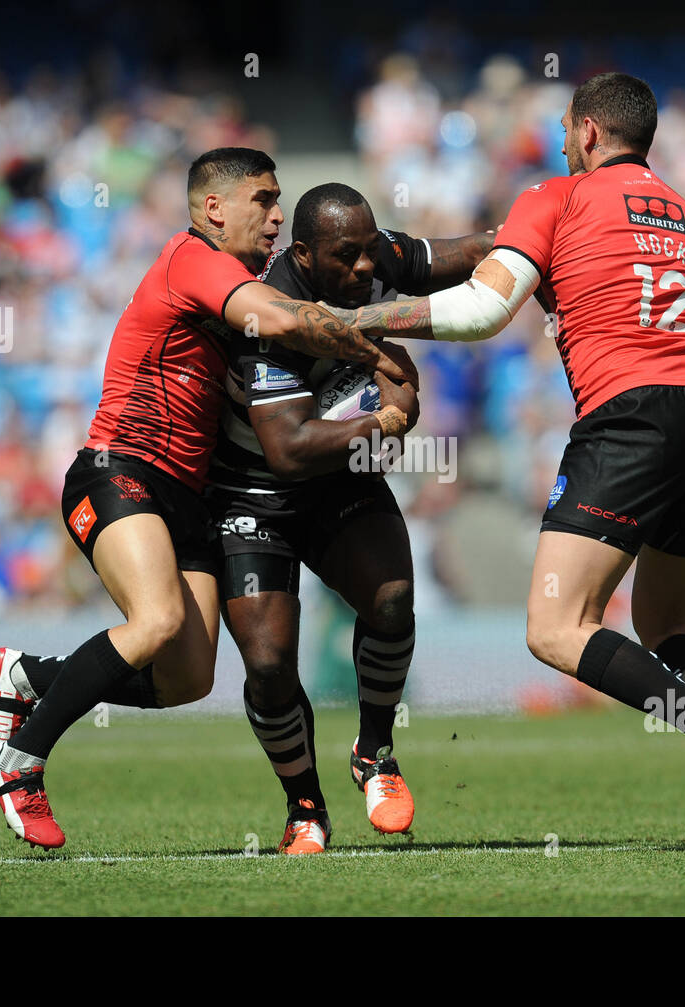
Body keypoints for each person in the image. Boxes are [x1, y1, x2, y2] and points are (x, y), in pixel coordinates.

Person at [324, 74, 685, 851]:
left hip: (630, 415)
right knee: (668, 623)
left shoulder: (558, 194)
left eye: (568, 132)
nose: (564, 144)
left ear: (590, 134)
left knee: (553, 626)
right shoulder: (683, 213)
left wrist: (361, 318)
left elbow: (482, 309)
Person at [0, 148, 418, 849]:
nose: (277, 215)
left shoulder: (236, 271)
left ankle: (29, 675)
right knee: (154, 623)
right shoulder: (195, 259)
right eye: (264, 200)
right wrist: (387, 342)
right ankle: (19, 759)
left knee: (186, 676)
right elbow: (286, 318)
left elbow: (398, 268)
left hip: (188, 495)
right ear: (215, 209)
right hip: (120, 471)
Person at [209, 182, 492, 853]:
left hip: (340, 478)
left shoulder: (371, 256)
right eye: (347, 256)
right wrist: (384, 418)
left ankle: (375, 751)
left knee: (393, 598)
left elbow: (448, 257)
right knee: (271, 660)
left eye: (370, 252)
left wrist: (524, 241)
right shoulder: (268, 315)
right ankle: (304, 805)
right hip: (255, 490)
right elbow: (287, 448)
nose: (366, 269)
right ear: (304, 254)